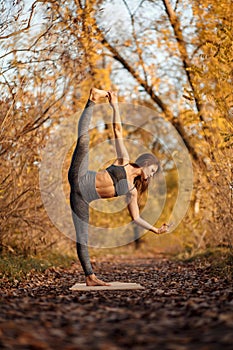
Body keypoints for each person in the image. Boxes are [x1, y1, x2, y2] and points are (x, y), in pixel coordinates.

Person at [68, 88, 170, 286]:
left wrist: (156, 230)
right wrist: (114, 104)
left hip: (82, 197)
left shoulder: (132, 191)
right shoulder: (124, 161)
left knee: (83, 237)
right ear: (146, 162)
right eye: (153, 169)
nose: (152, 173)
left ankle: (90, 277)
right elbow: (117, 130)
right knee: (84, 140)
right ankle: (92, 99)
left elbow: (136, 218)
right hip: (79, 176)